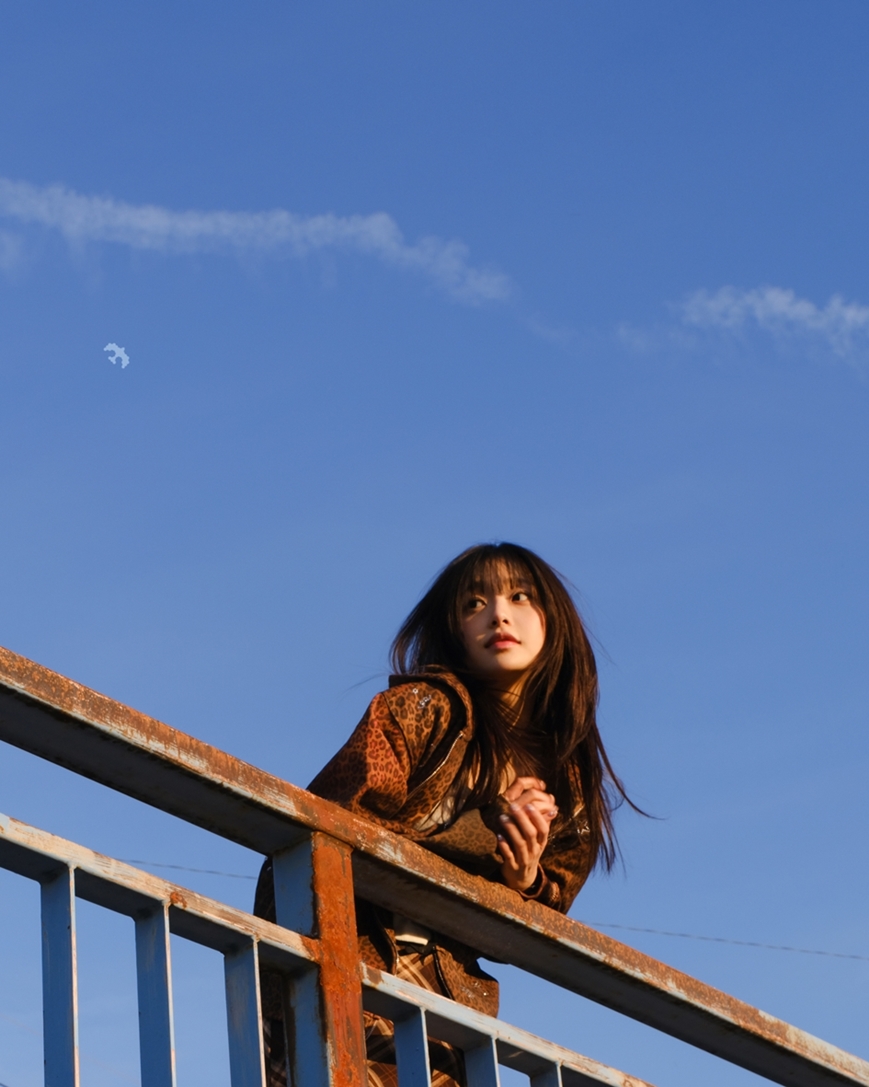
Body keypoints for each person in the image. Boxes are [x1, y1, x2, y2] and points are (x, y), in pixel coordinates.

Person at [255, 542, 634, 1087]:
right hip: (347, 960)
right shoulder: (422, 708)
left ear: (553, 619)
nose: (498, 615)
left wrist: (522, 878)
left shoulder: (567, 777)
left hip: (448, 1005)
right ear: (453, 629)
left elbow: (550, 907)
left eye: (519, 597)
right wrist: (486, 829)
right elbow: (334, 819)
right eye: (474, 603)